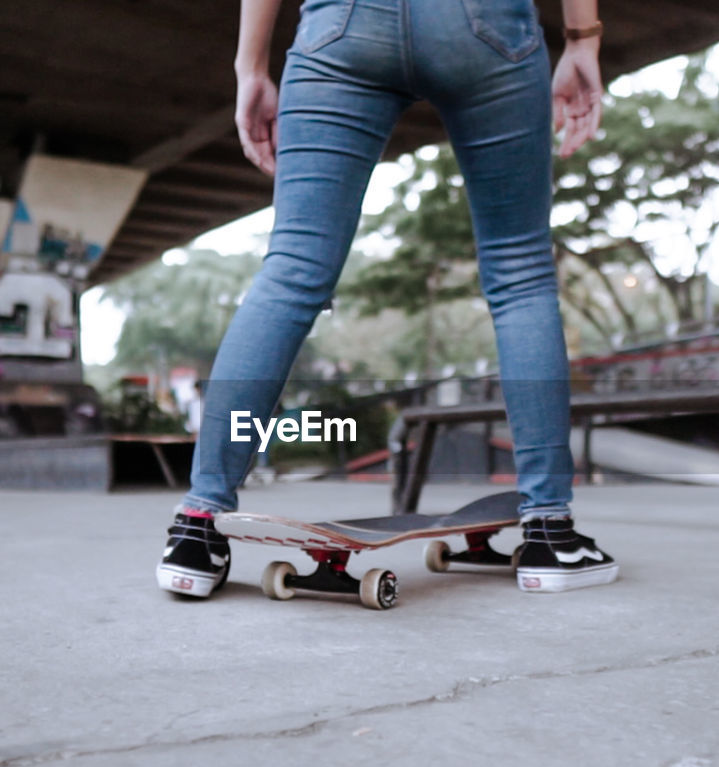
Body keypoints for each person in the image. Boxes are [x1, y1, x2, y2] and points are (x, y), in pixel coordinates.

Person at [157, 0, 619, 597]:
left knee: (292, 270)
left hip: (343, 25)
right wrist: (583, 39)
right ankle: (551, 531)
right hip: (486, 26)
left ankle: (198, 524)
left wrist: (251, 67)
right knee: (520, 273)